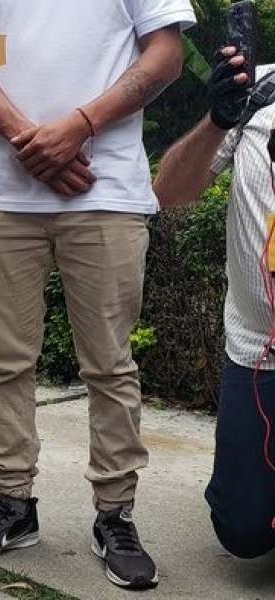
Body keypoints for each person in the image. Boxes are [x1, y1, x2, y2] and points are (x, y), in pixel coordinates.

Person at [0, 0, 196, 590]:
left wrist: (77, 126)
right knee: (6, 362)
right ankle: (13, 502)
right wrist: (29, 140)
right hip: (2, 193)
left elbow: (166, 54)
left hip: (106, 191)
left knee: (110, 364)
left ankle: (115, 514)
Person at [153, 46, 275, 560]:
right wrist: (218, 118)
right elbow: (168, 192)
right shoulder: (258, 90)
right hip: (259, 355)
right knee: (243, 531)